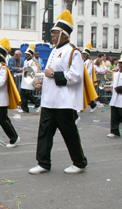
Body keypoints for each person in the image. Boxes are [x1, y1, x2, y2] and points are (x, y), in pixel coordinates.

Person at [29, 10, 88, 175]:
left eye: (55, 33)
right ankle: (43, 163)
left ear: (64, 34)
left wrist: (53, 75)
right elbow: (49, 73)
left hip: (64, 102)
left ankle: (79, 162)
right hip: (49, 101)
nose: (52, 36)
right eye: (52, 33)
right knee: (44, 133)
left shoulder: (73, 51)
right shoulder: (54, 51)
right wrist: (42, 82)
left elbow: (76, 76)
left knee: (69, 134)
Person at [19, 44, 41, 113]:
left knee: (28, 94)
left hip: (29, 80)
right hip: (24, 81)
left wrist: (25, 69)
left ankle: (37, 103)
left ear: (31, 55)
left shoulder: (33, 62)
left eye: (28, 54)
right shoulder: (25, 62)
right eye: (26, 54)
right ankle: (24, 108)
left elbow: (34, 70)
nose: (26, 56)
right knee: (23, 94)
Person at [82, 43, 98, 112]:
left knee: (87, 94)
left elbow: (88, 72)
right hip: (83, 79)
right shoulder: (83, 61)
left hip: (87, 80)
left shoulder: (90, 62)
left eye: (84, 54)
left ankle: (93, 105)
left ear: (87, 55)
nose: (83, 55)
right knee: (83, 93)